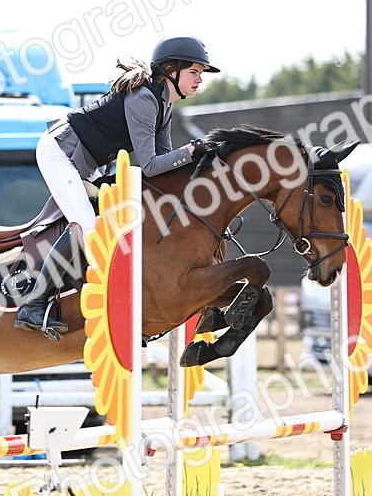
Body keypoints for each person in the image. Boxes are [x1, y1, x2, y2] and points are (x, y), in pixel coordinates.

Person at [14, 35, 220, 339]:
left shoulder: (164, 106)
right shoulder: (144, 100)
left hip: (85, 159)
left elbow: (164, 164)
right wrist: (190, 151)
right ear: (170, 70)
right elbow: (151, 165)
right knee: (86, 226)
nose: (199, 79)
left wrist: (197, 162)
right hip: (59, 151)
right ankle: (33, 304)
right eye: (194, 72)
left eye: (200, 74)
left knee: (111, 222)